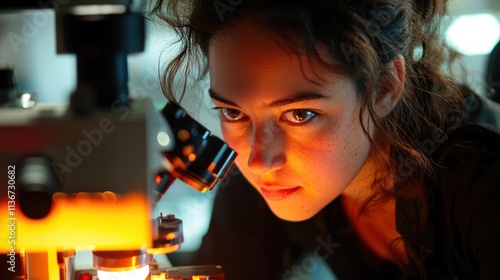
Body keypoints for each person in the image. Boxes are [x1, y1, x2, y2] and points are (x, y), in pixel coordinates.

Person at [151, 0, 500, 279]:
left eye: (299, 115)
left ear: (384, 88)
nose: (258, 160)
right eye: (233, 113)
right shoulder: (267, 181)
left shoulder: (483, 187)